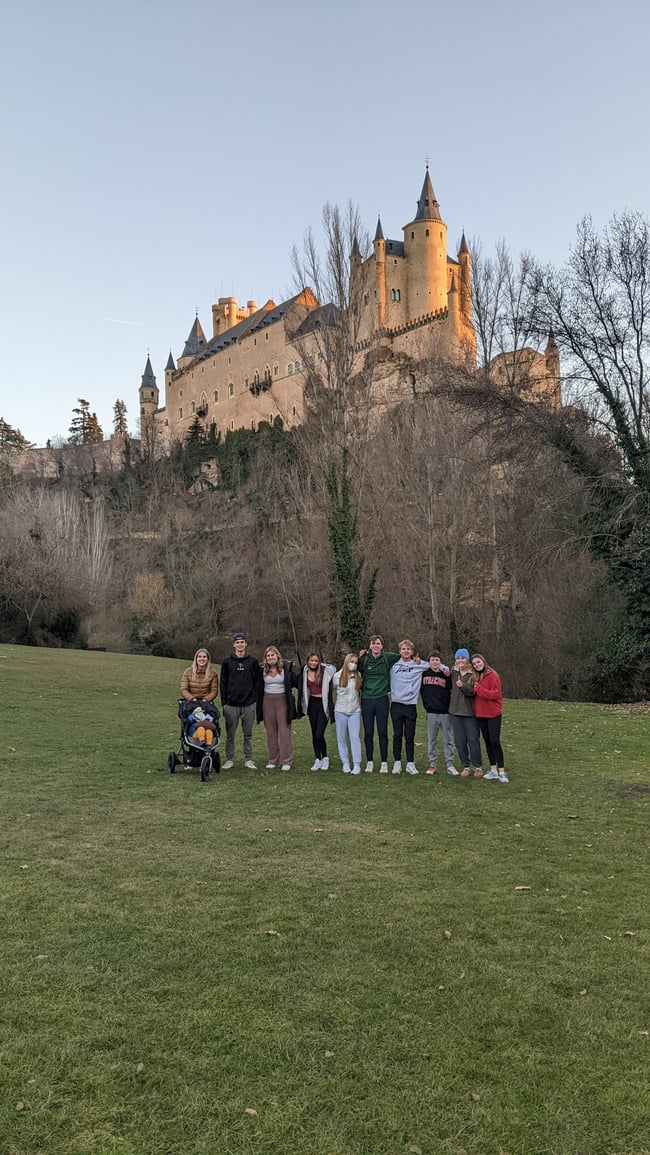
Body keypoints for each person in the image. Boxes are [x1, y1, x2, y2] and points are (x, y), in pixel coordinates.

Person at [220, 632, 262, 769]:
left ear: (245, 644)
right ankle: (229, 759)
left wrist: (254, 700)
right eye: (237, 642)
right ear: (233, 644)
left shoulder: (253, 662)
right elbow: (223, 683)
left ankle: (248, 759)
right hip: (231, 705)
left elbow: (258, 683)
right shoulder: (227, 662)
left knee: (248, 734)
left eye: (242, 642)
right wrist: (224, 703)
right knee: (230, 735)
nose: (240, 644)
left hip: (249, 704)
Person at [358, 635, 400, 773]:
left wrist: (417, 660)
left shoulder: (389, 657)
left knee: (382, 732)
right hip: (366, 699)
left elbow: (405, 657)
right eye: (373, 644)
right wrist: (359, 655)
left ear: (382, 646)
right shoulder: (363, 660)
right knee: (368, 732)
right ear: (369, 646)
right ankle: (369, 761)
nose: (376, 646)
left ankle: (384, 762)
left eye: (378, 644)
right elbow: (350, 666)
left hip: (382, 699)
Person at [257, 645, 297, 770]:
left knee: (284, 731)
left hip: (282, 701)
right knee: (271, 732)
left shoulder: (286, 668)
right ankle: (273, 759)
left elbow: (296, 681)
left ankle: (286, 761)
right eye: (268, 656)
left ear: (277, 656)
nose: (270, 657)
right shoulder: (262, 670)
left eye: (272, 655)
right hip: (267, 701)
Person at [389, 639, 426, 775]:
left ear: (412, 651)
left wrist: (445, 670)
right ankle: (397, 762)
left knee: (410, 736)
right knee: (397, 735)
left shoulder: (418, 665)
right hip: (396, 704)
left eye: (408, 649)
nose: (406, 651)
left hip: (410, 705)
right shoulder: (393, 665)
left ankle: (410, 763)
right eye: (403, 649)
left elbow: (436, 665)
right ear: (400, 651)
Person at [471, 653, 508, 783]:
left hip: (493, 713)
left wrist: (479, 689)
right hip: (481, 713)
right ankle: (493, 769)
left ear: (483, 661)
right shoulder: (476, 677)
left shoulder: (492, 675)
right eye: (474, 664)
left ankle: (502, 771)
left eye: (478, 662)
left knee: (495, 742)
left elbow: (495, 694)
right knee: (487, 741)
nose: (477, 665)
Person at [298, 652, 336, 770]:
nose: (313, 663)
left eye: (316, 661)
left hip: (323, 704)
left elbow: (334, 669)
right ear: (308, 661)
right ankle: (317, 759)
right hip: (312, 704)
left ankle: (325, 758)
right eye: (311, 660)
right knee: (314, 733)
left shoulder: (325, 671)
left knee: (320, 733)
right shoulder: (304, 671)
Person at [448, 648, 483, 777]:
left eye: (463, 658)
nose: (460, 660)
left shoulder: (473, 674)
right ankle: (465, 766)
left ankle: (478, 766)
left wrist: (462, 686)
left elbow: (473, 692)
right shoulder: (453, 672)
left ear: (467, 659)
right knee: (459, 741)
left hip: (470, 712)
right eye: (458, 658)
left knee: (473, 740)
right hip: (455, 712)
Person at [420, 652, 455, 774]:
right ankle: (432, 764)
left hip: (445, 712)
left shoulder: (446, 674)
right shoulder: (423, 673)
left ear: (440, 662)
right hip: (431, 712)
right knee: (432, 739)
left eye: (437, 660)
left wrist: (446, 671)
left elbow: (452, 690)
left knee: (448, 739)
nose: (435, 662)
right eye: (432, 660)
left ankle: (450, 764)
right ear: (429, 662)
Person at [333, 654, 363, 775]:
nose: (353, 664)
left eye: (356, 662)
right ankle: (345, 763)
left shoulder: (358, 675)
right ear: (346, 661)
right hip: (340, 711)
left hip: (355, 711)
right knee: (341, 738)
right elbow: (329, 690)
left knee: (355, 737)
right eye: (351, 661)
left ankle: (357, 764)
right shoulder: (337, 676)